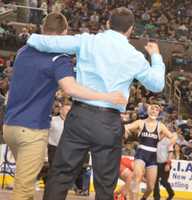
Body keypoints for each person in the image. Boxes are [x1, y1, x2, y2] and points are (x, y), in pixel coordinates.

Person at [27, 7, 166, 200]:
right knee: (105, 183)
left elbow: (49, 42)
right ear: (130, 30)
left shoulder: (87, 41)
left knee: (60, 175)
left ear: (108, 23)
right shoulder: (134, 56)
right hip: (108, 122)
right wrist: (156, 56)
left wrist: (30, 38)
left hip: (80, 116)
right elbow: (157, 84)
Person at [2, 12, 126, 200]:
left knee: (24, 182)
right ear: (65, 33)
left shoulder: (23, 51)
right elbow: (71, 88)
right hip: (32, 130)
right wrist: (106, 96)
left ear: (44, 29)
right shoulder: (58, 58)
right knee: (24, 190)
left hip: (10, 127)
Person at [126, 104, 177, 200]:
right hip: (141, 153)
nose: (154, 111)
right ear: (148, 111)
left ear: (158, 113)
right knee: (137, 177)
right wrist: (125, 130)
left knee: (150, 187)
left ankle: (143, 198)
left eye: (156, 110)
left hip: (153, 156)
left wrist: (173, 139)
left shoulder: (160, 126)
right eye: (152, 109)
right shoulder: (140, 122)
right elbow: (127, 126)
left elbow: (173, 135)